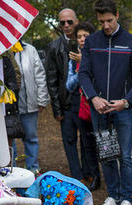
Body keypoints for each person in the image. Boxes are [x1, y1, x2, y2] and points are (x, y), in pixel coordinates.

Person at [79, 0, 132, 205]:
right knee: (107, 154)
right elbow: (84, 74)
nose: (106, 25)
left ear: (117, 15)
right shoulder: (92, 42)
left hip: (122, 109)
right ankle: (113, 197)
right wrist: (93, 98)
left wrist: (126, 102)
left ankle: (127, 199)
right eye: (101, 21)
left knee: (125, 156)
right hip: (99, 109)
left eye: (109, 20)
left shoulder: (131, 42)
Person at [47, 9, 94, 184]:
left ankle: (90, 171)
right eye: (62, 23)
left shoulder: (88, 42)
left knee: (87, 139)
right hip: (65, 103)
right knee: (69, 140)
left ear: (76, 21)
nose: (66, 25)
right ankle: (77, 175)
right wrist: (56, 108)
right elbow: (51, 79)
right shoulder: (54, 47)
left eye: (69, 22)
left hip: (85, 102)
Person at [66, 22, 101, 191]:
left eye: (85, 36)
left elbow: (102, 78)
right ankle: (95, 176)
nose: (81, 40)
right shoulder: (73, 60)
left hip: (100, 106)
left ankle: (112, 176)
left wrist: (86, 62)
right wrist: (81, 68)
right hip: (82, 108)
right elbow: (69, 85)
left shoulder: (100, 54)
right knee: (87, 144)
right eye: (79, 37)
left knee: (104, 142)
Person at [12, 41, 49, 174]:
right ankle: (12, 170)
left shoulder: (30, 50)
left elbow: (39, 75)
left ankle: (33, 169)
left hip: (29, 104)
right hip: (9, 106)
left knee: (31, 138)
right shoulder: (1, 50)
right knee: (10, 140)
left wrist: (42, 99)